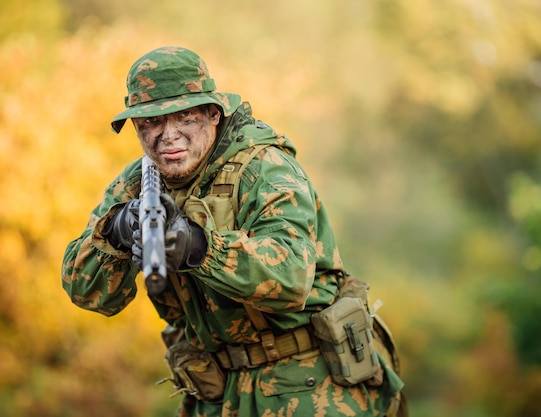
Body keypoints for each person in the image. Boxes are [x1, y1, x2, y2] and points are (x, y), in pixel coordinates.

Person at [62, 46, 404, 417]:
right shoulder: (136, 185)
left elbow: (291, 276)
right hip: (218, 393)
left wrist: (198, 247)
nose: (167, 136)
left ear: (213, 114)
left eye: (184, 118)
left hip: (307, 386)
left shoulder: (264, 167)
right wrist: (114, 232)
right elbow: (87, 293)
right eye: (150, 123)